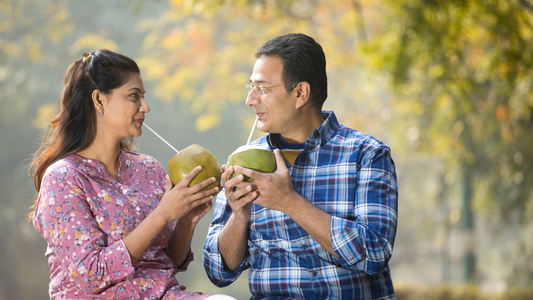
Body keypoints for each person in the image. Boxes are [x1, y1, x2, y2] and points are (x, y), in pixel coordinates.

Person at [203, 33, 399, 299]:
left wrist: (288, 201)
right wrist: (239, 217)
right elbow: (218, 271)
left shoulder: (366, 155)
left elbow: (374, 253)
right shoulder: (244, 161)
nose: (250, 100)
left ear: (300, 93)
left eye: (262, 88)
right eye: (250, 87)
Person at [30, 49, 236, 300]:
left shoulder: (148, 169)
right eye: (134, 96)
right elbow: (91, 275)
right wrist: (163, 214)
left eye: (143, 97)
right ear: (99, 100)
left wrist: (186, 219)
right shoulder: (63, 178)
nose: (145, 107)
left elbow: (170, 260)